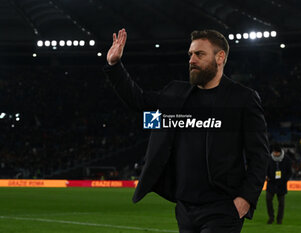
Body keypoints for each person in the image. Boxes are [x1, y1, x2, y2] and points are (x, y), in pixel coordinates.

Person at [103, 28, 269, 233]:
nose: (192, 60)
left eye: (200, 54)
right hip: (184, 208)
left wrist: (245, 200)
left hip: (223, 209)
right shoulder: (176, 93)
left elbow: (259, 156)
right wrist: (115, 65)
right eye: (190, 54)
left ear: (220, 57)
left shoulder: (243, 99)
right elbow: (138, 100)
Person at [266, 145, 292, 224]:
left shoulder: (286, 159)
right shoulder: (269, 159)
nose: (275, 154)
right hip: (271, 183)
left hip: (281, 184)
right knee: (268, 199)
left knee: (281, 203)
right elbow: (265, 169)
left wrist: (284, 180)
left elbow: (289, 172)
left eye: (276, 152)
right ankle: (271, 217)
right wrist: (266, 176)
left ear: (280, 152)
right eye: (274, 152)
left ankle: (279, 219)